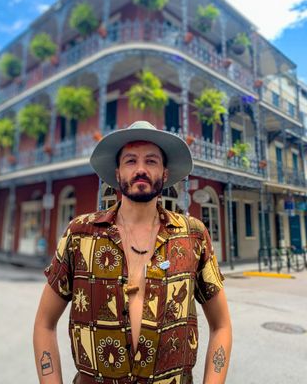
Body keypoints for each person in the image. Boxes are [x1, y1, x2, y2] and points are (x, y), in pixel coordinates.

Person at [33, 120, 232, 384]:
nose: (140, 169)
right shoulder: (80, 234)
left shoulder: (193, 235)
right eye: (130, 161)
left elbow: (222, 325)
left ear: (164, 173)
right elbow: (45, 323)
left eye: (151, 161)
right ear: (117, 173)